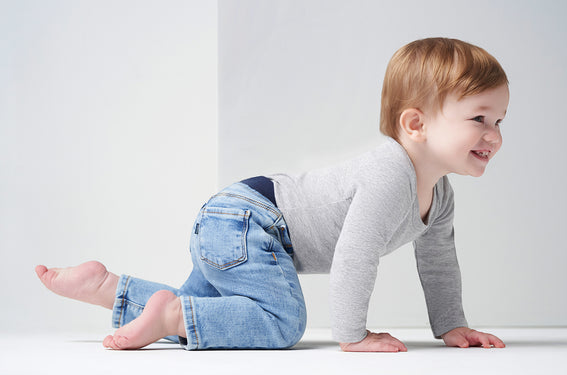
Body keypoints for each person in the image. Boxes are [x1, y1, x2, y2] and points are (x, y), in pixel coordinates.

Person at [36, 37, 508, 352]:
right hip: (249, 223)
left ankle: (107, 288)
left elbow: (439, 260)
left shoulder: (439, 195)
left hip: (235, 220)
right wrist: (353, 335)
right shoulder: (389, 174)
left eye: (500, 121)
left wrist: (450, 325)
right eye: (479, 119)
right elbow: (355, 254)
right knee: (280, 322)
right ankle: (175, 315)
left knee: (218, 314)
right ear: (415, 124)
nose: (494, 136)